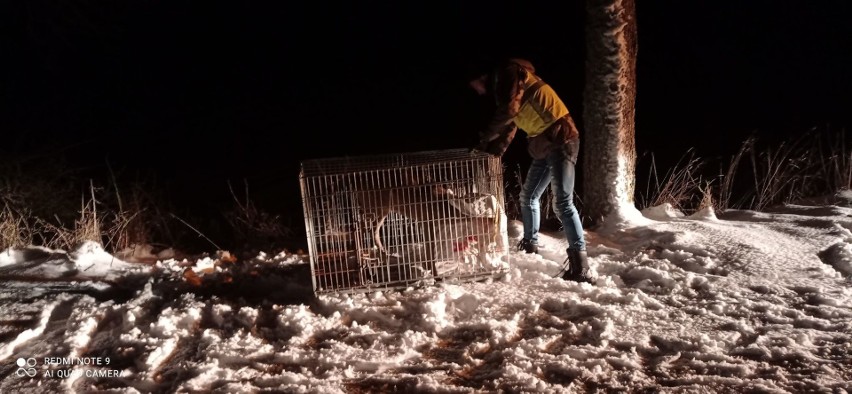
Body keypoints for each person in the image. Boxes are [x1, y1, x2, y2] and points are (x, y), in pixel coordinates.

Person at [469, 58, 592, 283]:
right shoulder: (507, 86)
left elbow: (508, 111)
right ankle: (530, 247)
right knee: (528, 197)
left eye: (474, 85)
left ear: (481, 77)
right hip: (544, 143)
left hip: (561, 138)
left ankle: (581, 267)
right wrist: (491, 152)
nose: (477, 91)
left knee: (562, 202)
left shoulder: (506, 72)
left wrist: (485, 136)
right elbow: (510, 124)